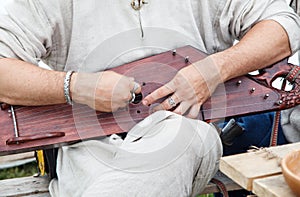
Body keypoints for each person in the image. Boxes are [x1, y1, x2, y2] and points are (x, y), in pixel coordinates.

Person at [0, 0, 299, 196]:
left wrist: (213, 69)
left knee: (176, 140)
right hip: (90, 145)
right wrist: (77, 86)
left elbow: (283, 26)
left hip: (188, 132)